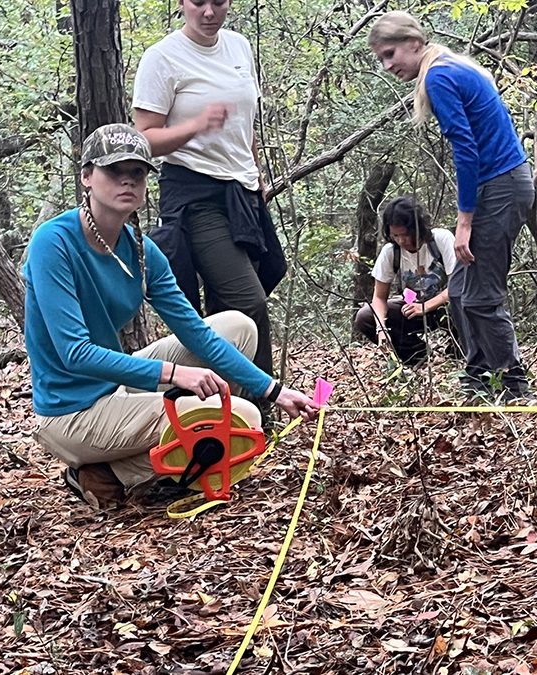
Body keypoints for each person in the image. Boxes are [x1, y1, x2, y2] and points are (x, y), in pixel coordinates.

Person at [24, 124, 317, 510]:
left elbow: (196, 332)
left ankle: (113, 468)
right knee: (242, 419)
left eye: (138, 172)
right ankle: (118, 467)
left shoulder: (142, 253)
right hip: (72, 411)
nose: (127, 180)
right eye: (115, 171)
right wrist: (176, 376)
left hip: (117, 388)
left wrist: (274, 391)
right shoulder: (53, 242)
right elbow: (74, 353)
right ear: (87, 177)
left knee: (237, 327)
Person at [368, 11, 536, 401]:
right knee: (460, 290)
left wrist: (464, 221)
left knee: (481, 294)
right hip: (502, 184)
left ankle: (513, 383)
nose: (388, 65)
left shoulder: (440, 76)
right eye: (381, 59)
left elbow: (466, 150)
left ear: (414, 43)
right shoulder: (449, 67)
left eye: (391, 54)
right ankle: (478, 375)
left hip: (499, 186)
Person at [132, 0, 282, 378]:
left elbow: (243, 123)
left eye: (218, 2)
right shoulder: (162, 57)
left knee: (244, 293)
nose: (209, 12)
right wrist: (196, 124)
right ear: (182, 4)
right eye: (199, 2)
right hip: (194, 194)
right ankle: (260, 412)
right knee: (248, 303)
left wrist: (256, 173)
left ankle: (217, 407)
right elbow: (143, 139)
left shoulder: (239, 47)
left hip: (242, 190)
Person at [353, 196, 457, 366]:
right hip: (411, 308)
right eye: (396, 235)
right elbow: (379, 298)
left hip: (445, 307)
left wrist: (425, 307)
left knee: (466, 302)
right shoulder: (390, 252)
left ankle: (459, 352)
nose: (402, 241)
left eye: (406, 234)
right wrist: (381, 329)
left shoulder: (441, 240)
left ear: (418, 227)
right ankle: (419, 357)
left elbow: (458, 285)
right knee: (365, 316)